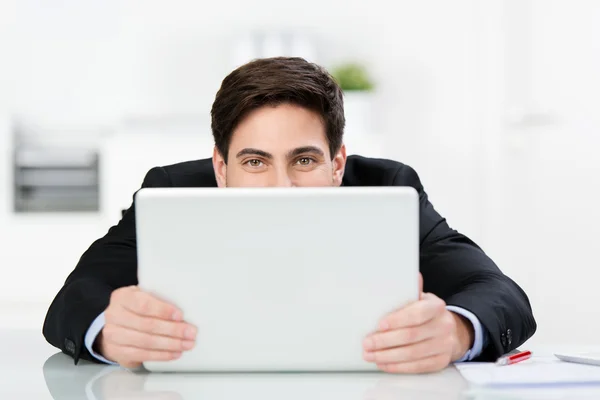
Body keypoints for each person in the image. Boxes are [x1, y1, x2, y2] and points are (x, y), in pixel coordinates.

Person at [43, 57, 536, 373]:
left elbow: (501, 294)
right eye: (255, 162)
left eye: (304, 159)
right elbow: (73, 299)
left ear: (337, 163)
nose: (281, 186)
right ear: (221, 167)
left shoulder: (388, 188)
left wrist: (456, 332)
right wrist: (108, 329)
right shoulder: (171, 190)